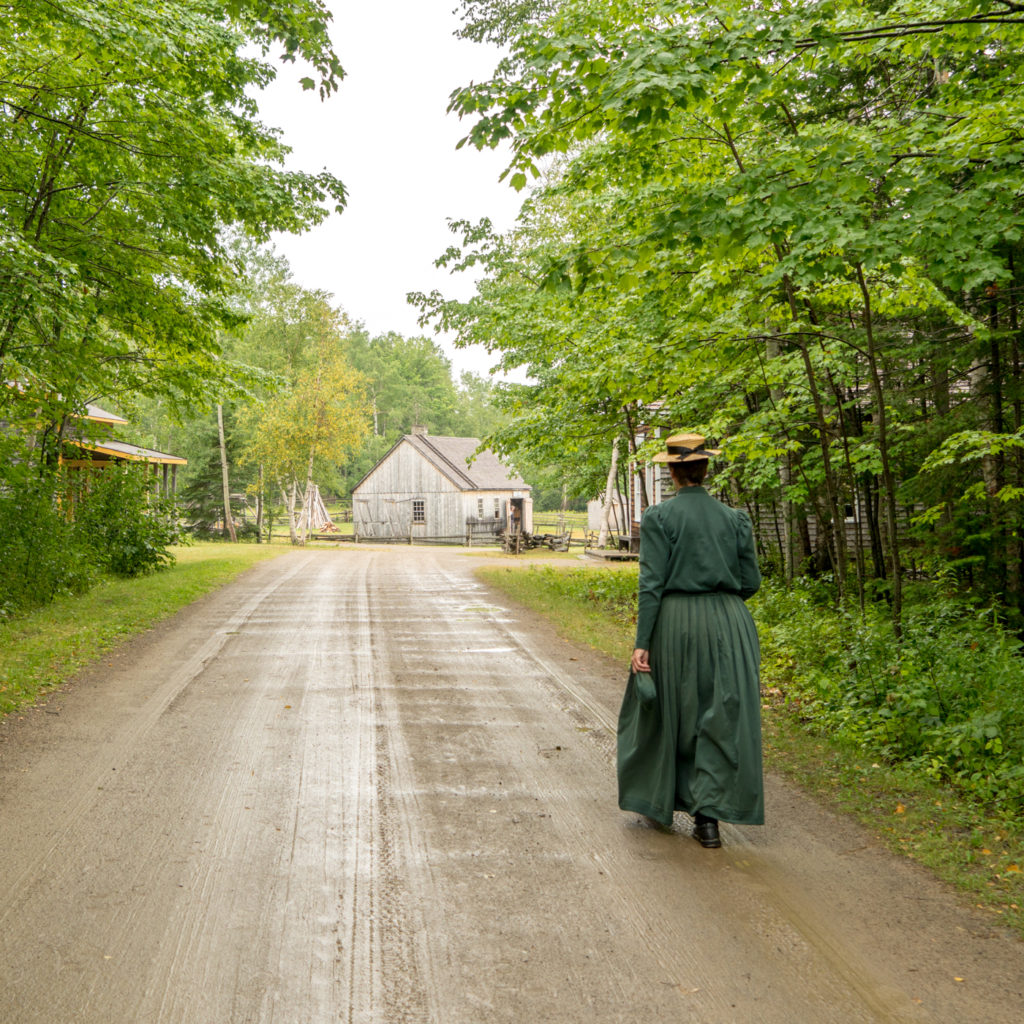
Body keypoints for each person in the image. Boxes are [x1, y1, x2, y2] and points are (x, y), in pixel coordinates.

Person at [617, 432, 763, 848]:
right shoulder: (736, 519)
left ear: (672, 472)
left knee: (671, 712)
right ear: (705, 469)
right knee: (719, 715)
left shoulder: (660, 518)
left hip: (677, 623)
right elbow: (751, 581)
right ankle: (708, 821)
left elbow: (651, 585)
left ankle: (659, 798)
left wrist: (642, 640)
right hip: (730, 624)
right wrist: (722, 604)